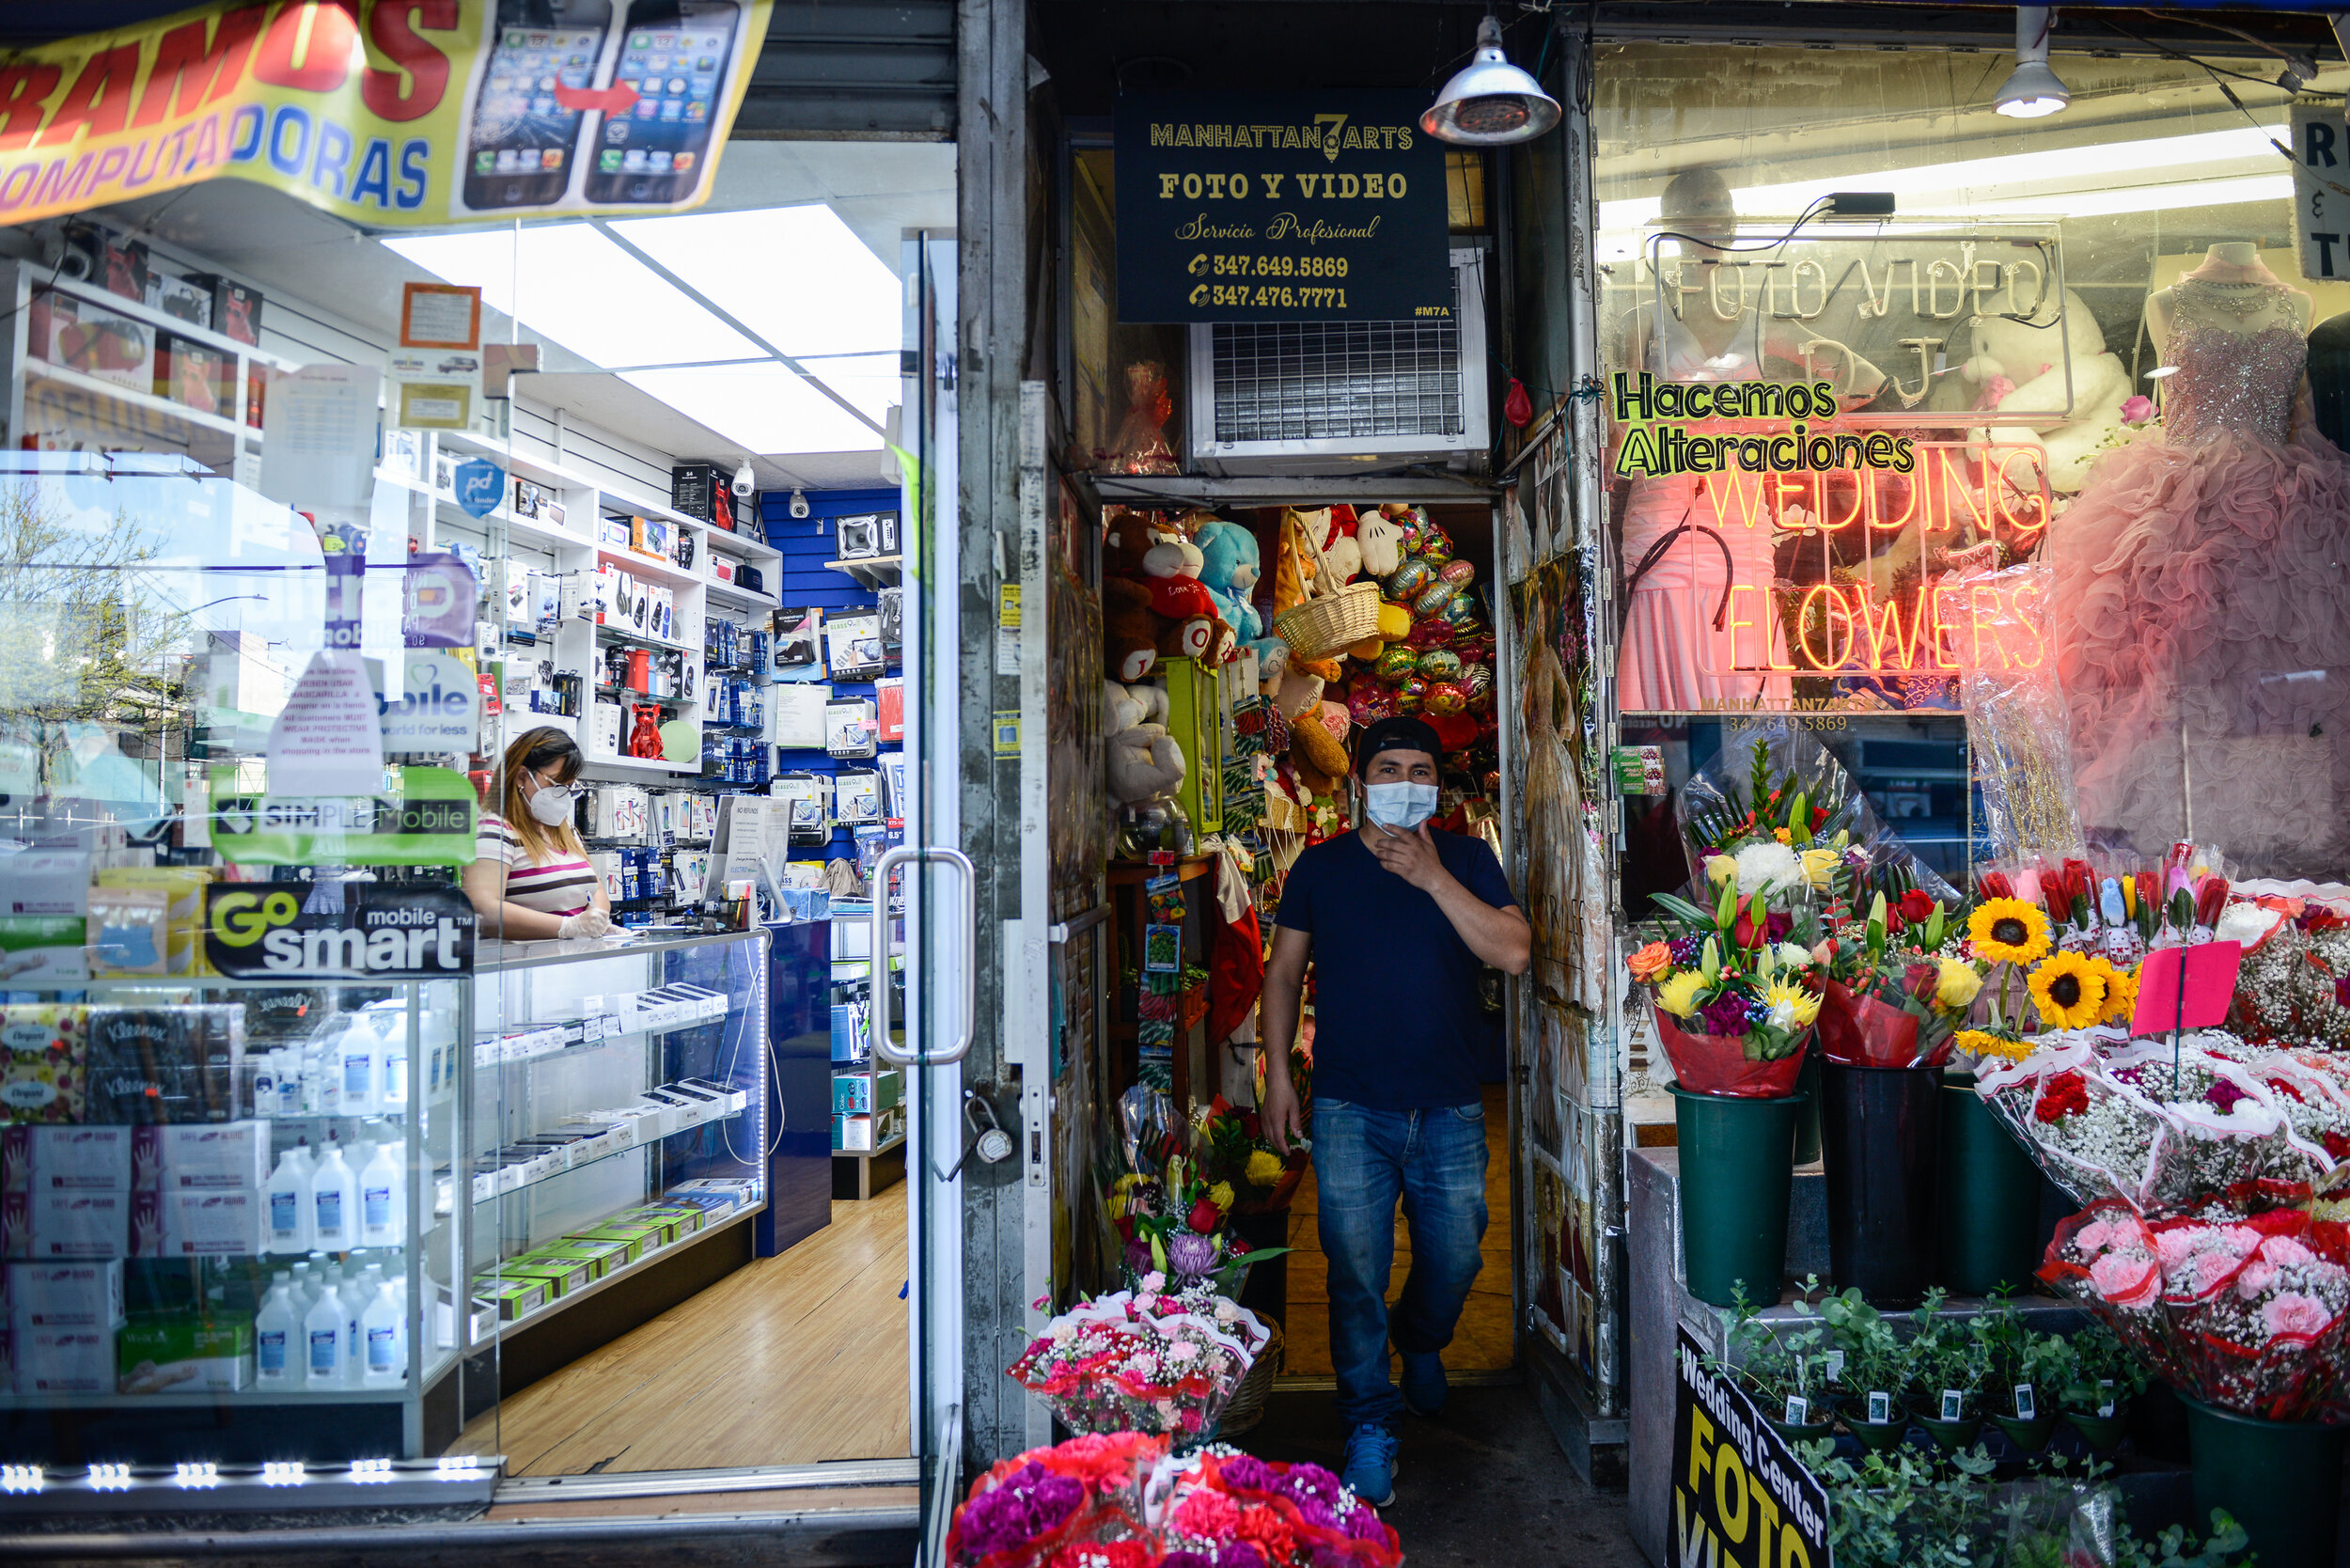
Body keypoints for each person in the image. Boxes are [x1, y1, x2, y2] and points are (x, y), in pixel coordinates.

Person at [1257, 715, 1531, 1507]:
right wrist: (1278, 1074)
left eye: (1420, 770)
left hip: (1448, 1104)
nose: (1405, 782)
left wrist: (1434, 879)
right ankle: (1369, 1419)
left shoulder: (1469, 858)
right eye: (1389, 768)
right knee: (1353, 1273)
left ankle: (1422, 1341)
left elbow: (1513, 951)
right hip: (1348, 1106)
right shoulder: (1320, 867)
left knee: (1456, 1259)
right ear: (1358, 783)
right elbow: (1282, 977)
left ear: (1437, 787)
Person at [462, 727, 617, 940]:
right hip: (521, 964)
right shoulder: (495, 831)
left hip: (570, 961)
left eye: (569, 786)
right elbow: (483, 908)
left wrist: (597, 919)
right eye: (555, 784)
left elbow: (595, 889)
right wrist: (567, 926)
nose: (563, 795)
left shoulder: (564, 830)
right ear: (521, 777)